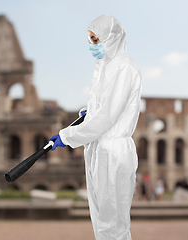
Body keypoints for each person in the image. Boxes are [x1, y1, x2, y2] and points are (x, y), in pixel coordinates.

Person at [49, 15, 142, 240]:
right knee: (102, 224)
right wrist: (89, 111)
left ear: (111, 38)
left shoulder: (124, 69)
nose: (92, 45)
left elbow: (107, 117)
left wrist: (68, 136)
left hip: (112, 153)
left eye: (96, 39)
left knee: (113, 225)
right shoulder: (106, 67)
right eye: (90, 40)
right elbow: (103, 108)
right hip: (99, 151)